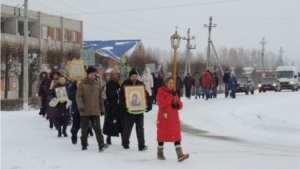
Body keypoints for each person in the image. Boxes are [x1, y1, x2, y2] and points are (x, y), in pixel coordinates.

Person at [156, 76, 190, 162]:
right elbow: (161, 102)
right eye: (169, 83)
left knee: (176, 135)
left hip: (174, 117)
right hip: (164, 117)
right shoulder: (161, 91)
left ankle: (180, 154)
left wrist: (177, 105)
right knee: (162, 135)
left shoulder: (174, 92)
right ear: (166, 83)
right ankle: (160, 153)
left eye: (172, 83)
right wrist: (171, 96)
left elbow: (180, 104)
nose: (171, 85)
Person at [76, 66, 108, 152]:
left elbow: (100, 98)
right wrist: (81, 106)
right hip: (85, 110)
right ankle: (84, 143)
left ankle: (101, 144)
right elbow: (78, 97)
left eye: (94, 73)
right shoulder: (82, 84)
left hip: (95, 110)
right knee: (84, 128)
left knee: (97, 128)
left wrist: (102, 109)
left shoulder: (97, 84)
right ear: (88, 74)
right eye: (91, 73)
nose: (93, 74)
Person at [119, 68, 152, 151]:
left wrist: (148, 105)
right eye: (133, 76)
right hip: (129, 111)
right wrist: (123, 107)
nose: (134, 78)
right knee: (128, 127)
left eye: (136, 76)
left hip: (139, 110)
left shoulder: (140, 85)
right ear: (130, 77)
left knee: (140, 128)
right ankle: (125, 143)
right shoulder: (125, 85)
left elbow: (146, 95)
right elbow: (121, 98)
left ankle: (141, 145)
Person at [68, 79, 93, 144]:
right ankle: (74, 135)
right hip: (76, 109)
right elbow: (70, 96)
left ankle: (84, 140)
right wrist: (78, 91)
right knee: (76, 125)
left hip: (85, 109)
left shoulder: (87, 86)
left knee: (85, 125)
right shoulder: (72, 87)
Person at [103, 70, 123, 145]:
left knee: (121, 123)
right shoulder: (109, 83)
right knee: (110, 123)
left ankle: (123, 139)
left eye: (117, 74)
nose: (116, 76)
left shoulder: (121, 83)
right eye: (114, 75)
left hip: (119, 106)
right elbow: (109, 94)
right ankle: (108, 138)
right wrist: (116, 92)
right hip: (112, 106)